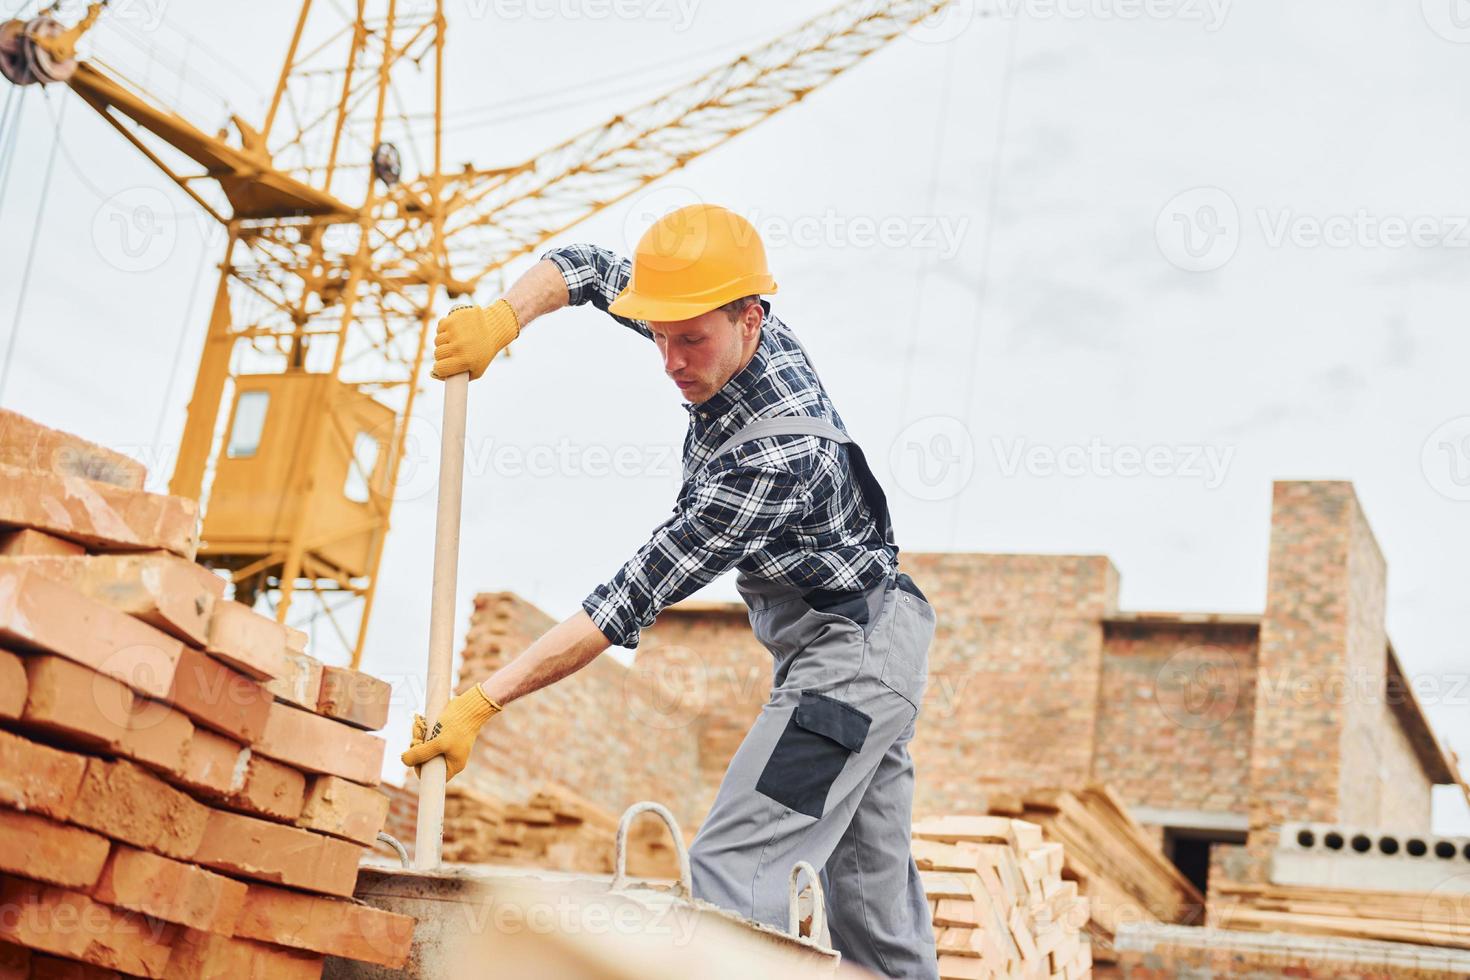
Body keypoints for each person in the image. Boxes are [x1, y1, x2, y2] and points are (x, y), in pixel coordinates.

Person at [402, 202, 939, 979]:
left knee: (737, 874)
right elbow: (587, 267)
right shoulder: (724, 319)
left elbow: (629, 595)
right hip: (871, 648)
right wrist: (502, 318)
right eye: (658, 336)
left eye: (691, 340)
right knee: (874, 918)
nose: (671, 360)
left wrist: (485, 700)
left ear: (751, 319)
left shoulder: (773, 459)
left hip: (849, 673)